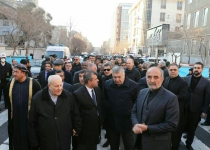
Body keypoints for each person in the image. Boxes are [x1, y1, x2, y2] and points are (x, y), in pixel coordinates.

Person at [131, 67, 179, 150]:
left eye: (156, 77)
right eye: (149, 77)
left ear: (162, 79)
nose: (152, 80)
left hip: (158, 145)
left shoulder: (171, 98)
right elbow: (134, 111)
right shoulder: (142, 92)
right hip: (139, 141)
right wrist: (135, 124)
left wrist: (147, 128)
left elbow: (171, 125)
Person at [28, 75, 82, 150]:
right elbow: (32, 122)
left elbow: (75, 114)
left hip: (64, 138)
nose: (59, 88)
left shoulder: (68, 96)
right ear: (49, 86)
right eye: (56, 86)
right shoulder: (37, 98)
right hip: (46, 140)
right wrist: (34, 143)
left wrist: (77, 128)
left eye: (61, 85)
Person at [5, 64, 41, 150]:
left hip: (29, 120)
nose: (14, 74)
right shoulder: (11, 83)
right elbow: (7, 101)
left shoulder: (34, 83)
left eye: (16, 72)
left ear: (24, 73)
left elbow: (40, 101)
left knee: (29, 141)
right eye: (14, 71)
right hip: (15, 120)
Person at [104, 66, 139, 150]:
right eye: (114, 77)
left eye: (119, 77)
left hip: (127, 122)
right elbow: (105, 100)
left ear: (124, 75)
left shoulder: (134, 86)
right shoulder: (108, 84)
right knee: (114, 145)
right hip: (112, 121)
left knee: (129, 145)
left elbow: (137, 103)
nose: (116, 79)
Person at [183, 62, 210, 150]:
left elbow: (207, 98)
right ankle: (175, 144)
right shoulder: (186, 79)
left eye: (198, 68)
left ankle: (188, 144)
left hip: (196, 109)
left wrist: (204, 111)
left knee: (192, 128)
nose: (196, 69)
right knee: (180, 127)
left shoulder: (206, 82)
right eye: (195, 68)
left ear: (202, 69)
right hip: (184, 108)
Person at [73, 71, 102, 150]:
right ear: (89, 81)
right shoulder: (78, 94)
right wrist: (76, 128)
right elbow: (75, 113)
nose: (98, 80)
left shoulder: (97, 89)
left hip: (95, 129)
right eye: (96, 79)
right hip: (84, 131)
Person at [162, 63, 188, 150]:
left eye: (175, 70)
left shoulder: (183, 82)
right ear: (168, 70)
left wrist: (168, 98)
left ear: (178, 70)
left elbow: (183, 96)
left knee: (176, 133)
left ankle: (175, 147)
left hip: (176, 111)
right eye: (171, 70)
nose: (173, 71)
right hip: (165, 110)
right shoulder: (166, 80)